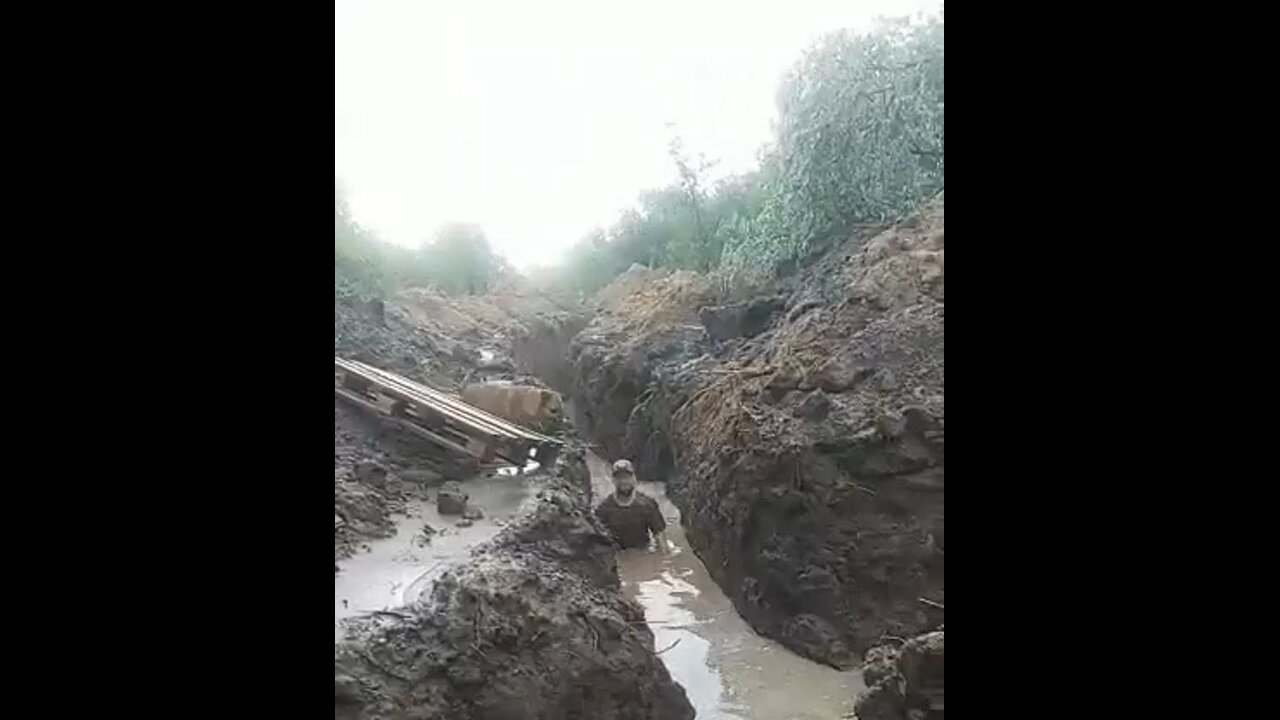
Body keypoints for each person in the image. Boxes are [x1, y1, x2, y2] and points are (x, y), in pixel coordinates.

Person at [594, 459, 670, 552]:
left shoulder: (647, 505)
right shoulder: (603, 509)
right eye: (619, 478)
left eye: (626, 477)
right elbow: (598, 544)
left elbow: (661, 541)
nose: (623, 481)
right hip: (617, 554)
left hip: (643, 552)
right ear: (613, 480)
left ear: (634, 478)